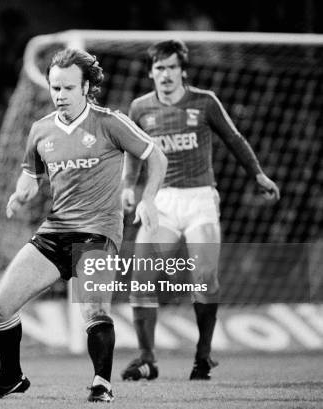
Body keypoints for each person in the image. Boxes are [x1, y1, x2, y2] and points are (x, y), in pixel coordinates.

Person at [0, 48, 167, 402]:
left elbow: (155, 154)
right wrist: (20, 194)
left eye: (68, 88)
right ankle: (11, 376)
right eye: (55, 88)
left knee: (93, 308)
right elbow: (30, 177)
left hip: (98, 233)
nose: (60, 95)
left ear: (86, 88)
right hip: (54, 232)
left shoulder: (109, 122)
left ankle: (102, 383)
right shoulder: (40, 131)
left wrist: (147, 198)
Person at [120, 39, 280, 381]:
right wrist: (128, 189)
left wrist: (257, 174)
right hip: (159, 200)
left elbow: (234, 139)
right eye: (159, 68)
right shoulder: (140, 109)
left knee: (204, 278)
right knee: (141, 277)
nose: (165, 74)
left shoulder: (204, 103)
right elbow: (133, 153)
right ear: (151, 72)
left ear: (183, 71)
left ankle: (203, 355)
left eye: (172, 67)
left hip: (199, 201)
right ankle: (147, 359)